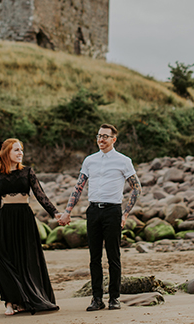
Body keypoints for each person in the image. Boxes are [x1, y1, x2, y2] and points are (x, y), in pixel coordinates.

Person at [59, 124, 141, 311]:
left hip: (113, 212)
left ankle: (114, 298)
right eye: (99, 136)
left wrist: (125, 213)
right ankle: (97, 299)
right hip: (93, 211)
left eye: (105, 136)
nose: (101, 139)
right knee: (94, 257)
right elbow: (79, 187)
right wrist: (68, 211)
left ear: (114, 139)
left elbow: (137, 187)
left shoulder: (124, 161)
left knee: (114, 256)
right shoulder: (89, 160)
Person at [0, 138, 60, 316]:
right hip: (6, 220)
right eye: (16, 150)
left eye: (21, 150)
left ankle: (27, 300)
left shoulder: (27, 172)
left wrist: (55, 213)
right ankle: (10, 302)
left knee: (27, 261)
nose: (21, 153)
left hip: (25, 219)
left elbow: (41, 195)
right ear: (6, 153)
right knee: (7, 260)